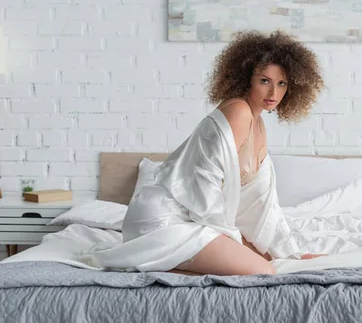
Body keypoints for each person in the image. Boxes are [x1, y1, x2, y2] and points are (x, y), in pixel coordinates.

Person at [83, 30, 325, 276]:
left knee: (268, 259)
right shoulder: (238, 112)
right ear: (246, 78)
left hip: (197, 218)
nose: (273, 93)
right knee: (262, 271)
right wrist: (232, 241)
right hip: (165, 220)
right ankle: (155, 267)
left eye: (281, 83)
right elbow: (205, 184)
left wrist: (288, 252)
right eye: (264, 81)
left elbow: (262, 202)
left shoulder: (258, 124)